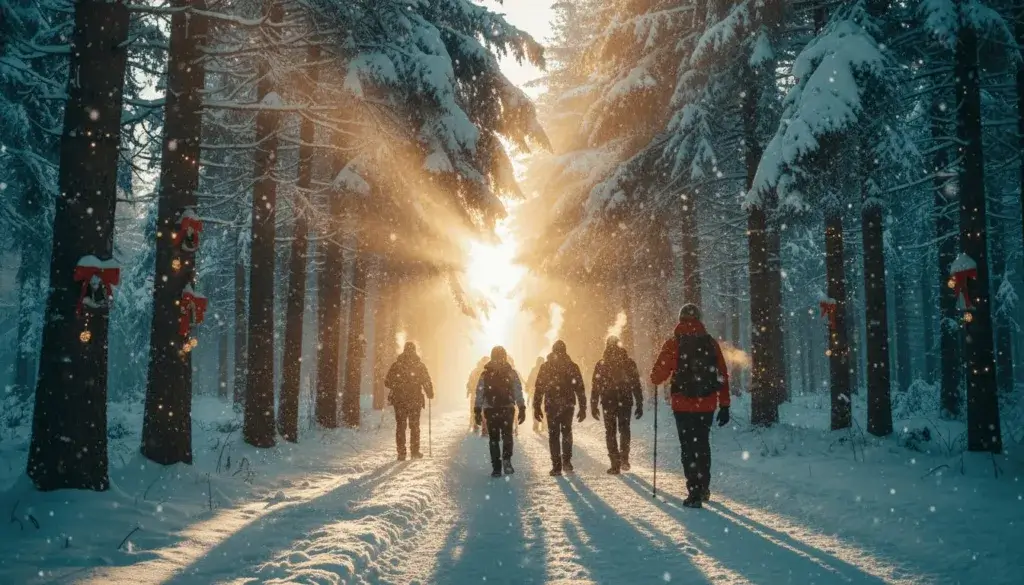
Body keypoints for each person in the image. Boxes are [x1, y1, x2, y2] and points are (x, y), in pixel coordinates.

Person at [650, 303, 730, 508]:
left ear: (680, 318)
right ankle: (704, 488)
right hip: (707, 404)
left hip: (682, 405)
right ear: (699, 318)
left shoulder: (673, 343)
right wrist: (725, 405)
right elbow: (722, 374)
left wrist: (655, 376)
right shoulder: (710, 343)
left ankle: (693, 492)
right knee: (702, 445)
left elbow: (658, 375)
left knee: (688, 448)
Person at [591, 336, 643, 475]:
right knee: (624, 429)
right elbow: (636, 384)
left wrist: (593, 404)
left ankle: (615, 464)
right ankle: (624, 458)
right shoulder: (629, 362)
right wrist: (639, 402)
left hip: (608, 402)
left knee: (610, 432)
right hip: (625, 400)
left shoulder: (601, 363)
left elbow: (595, 386)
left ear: (607, 345)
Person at [534, 340, 586, 476]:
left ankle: (556, 466)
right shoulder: (572, 366)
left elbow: (539, 388)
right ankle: (567, 462)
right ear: (565, 350)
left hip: (551, 405)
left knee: (553, 435)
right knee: (567, 432)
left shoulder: (545, 367)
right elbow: (579, 388)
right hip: (568, 405)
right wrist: (583, 407)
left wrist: (536, 406)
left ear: (552, 350)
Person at [474, 346, 527, 477]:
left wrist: (477, 409)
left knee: (494, 438)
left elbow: (479, 393)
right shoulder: (511, 372)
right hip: (507, 408)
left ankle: (496, 467)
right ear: (505, 356)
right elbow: (517, 391)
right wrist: (521, 407)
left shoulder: (485, 374)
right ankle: (507, 461)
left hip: (491, 409)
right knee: (507, 435)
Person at [385, 342, 435, 461]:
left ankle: (401, 453)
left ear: (404, 350)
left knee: (401, 426)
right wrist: (430, 393)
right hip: (415, 400)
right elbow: (426, 381)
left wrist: (397, 385)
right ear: (414, 351)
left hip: (399, 400)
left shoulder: (396, 365)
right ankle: (414, 451)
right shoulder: (419, 365)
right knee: (414, 426)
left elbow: (387, 381)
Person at [467, 357, 489, 434]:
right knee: (479, 410)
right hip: (480, 393)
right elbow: (470, 381)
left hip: (479, 393)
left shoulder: (478, 371)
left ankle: (479, 425)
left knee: (477, 409)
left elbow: (470, 381)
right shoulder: (483, 371)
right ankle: (479, 425)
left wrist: (469, 389)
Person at [525, 357, 546, 433]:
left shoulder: (544, 370)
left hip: (539, 392)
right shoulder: (537, 370)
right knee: (540, 408)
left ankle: (541, 425)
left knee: (539, 408)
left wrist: (527, 386)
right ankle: (538, 425)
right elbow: (530, 379)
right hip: (536, 392)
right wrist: (527, 386)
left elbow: (529, 379)